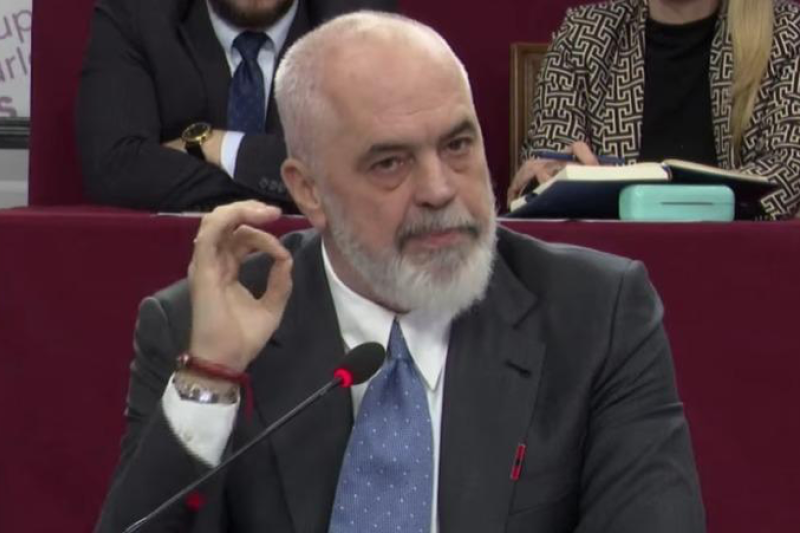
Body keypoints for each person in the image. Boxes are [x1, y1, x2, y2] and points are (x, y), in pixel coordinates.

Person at [95, 12, 705, 533]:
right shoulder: (201, 326)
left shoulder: (596, 315)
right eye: (390, 162)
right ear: (308, 191)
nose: (439, 189)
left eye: (458, 146)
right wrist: (212, 380)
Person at [76, 0, 394, 212]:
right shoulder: (137, 14)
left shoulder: (360, 22)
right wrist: (296, 188)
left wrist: (222, 147)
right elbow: (115, 167)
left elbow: (373, 165)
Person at [509, 0, 800, 220]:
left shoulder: (787, 33)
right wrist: (550, 179)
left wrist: (628, 197)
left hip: (741, 261)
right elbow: (545, 171)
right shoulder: (582, 38)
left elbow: (787, 172)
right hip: (609, 264)